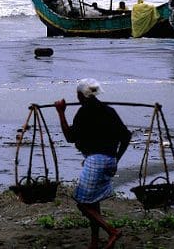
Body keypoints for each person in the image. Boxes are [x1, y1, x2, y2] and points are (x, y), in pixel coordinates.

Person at [55, 79, 131, 249]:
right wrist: (117, 159)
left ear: (81, 96)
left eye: (78, 95)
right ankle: (94, 242)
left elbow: (69, 137)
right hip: (110, 160)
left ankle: (112, 232)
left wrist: (61, 112)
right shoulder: (109, 111)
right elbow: (126, 136)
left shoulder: (83, 113)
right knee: (93, 202)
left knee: (82, 203)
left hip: (96, 161)